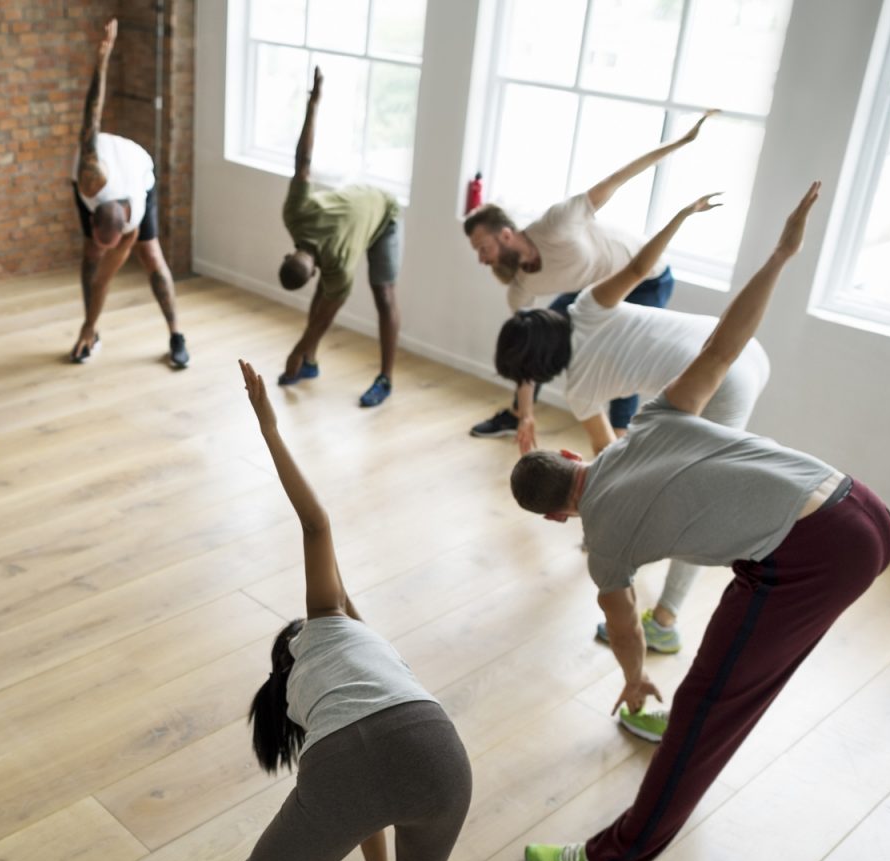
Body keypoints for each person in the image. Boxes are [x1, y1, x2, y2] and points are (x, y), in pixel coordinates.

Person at [510, 184, 890, 861]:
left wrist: (630, 681)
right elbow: (725, 342)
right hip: (862, 504)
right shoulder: (653, 421)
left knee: (710, 708)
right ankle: (674, 729)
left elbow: (623, 628)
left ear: (557, 517)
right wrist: (780, 256)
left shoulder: (604, 546)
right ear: (571, 460)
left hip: (815, 555)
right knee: (723, 684)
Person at [121, 360, 472, 861]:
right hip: (434, 742)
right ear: (301, 634)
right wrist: (269, 429)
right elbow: (318, 530)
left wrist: (269, 426)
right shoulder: (344, 632)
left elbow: (365, 796)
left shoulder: (313, 689)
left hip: (348, 765)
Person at [494, 192, 771, 658]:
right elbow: (641, 267)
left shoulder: (580, 390)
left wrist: (602, 520)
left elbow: (608, 454)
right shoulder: (585, 307)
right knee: (684, 483)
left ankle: (665, 620)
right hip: (743, 347)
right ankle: (665, 606)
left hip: (720, 384)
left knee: (693, 505)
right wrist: (680, 215)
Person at [466, 110, 717, 439]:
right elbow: (525, 351)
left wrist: (680, 142)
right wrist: (528, 415)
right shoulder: (521, 287)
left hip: (646, 277)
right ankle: (517, 415)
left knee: (621, 357)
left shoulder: (556, 224)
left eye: (484, 248)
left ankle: (619, 433)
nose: (482, 259)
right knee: (537, 335)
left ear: (507, 235)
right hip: (593, 291)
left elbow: (617, 178)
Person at [276, 68, 404, 408]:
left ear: (293, 259)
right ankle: (311, 363)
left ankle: (386, 379)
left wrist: (295, 349)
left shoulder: (339, 262)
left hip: (384, 214)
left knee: (384, 295)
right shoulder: (294, 214)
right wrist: (312, 104)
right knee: (325, 297)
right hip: (358, 198)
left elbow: (328, 314)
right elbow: (302, 161)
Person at [69, 19, 189, 370]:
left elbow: (107, 276)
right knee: (90, 259)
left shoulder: (134, 214)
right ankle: (91, 331)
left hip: (137, 167)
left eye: (112, 241)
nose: (105, 245)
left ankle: (176, 334)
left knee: (152, 257)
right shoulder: (90, 178)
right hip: (103, 165)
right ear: (92, 219)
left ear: (122, 230)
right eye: (100, 238)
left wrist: (86, 322)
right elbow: (90, 118)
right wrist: (101, 62)